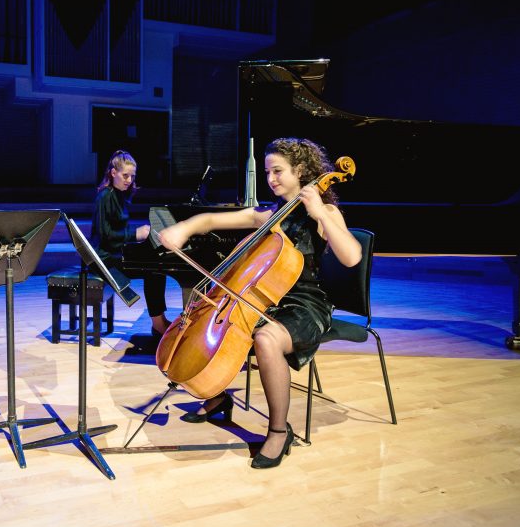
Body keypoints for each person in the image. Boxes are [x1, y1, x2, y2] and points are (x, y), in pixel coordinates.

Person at [158, 138, 361, 468]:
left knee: (264, 338)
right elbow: (210, 220)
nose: (271, 179)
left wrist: (320, 213)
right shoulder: (269, 214)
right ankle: (217, 396)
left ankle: (280, 431)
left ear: (301, 171)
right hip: (266, 301)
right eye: (268, 172)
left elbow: (351, 257)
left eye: (278, 171)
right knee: (225, 333)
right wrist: (182, 229)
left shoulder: (326, 212)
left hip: (306, 305)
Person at [90, 150, 171, 337]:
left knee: (157, 267)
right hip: (104, 260)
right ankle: (158, 323)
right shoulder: (105, 197)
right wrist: (136, 233)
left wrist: (141, 233)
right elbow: (105, 235)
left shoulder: (118, 195)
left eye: (132, 176)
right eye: (125, 175)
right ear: (113, 173)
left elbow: (117, 230)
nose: (129, 180)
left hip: (115, 253)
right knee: (153, 269)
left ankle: (160, 320)